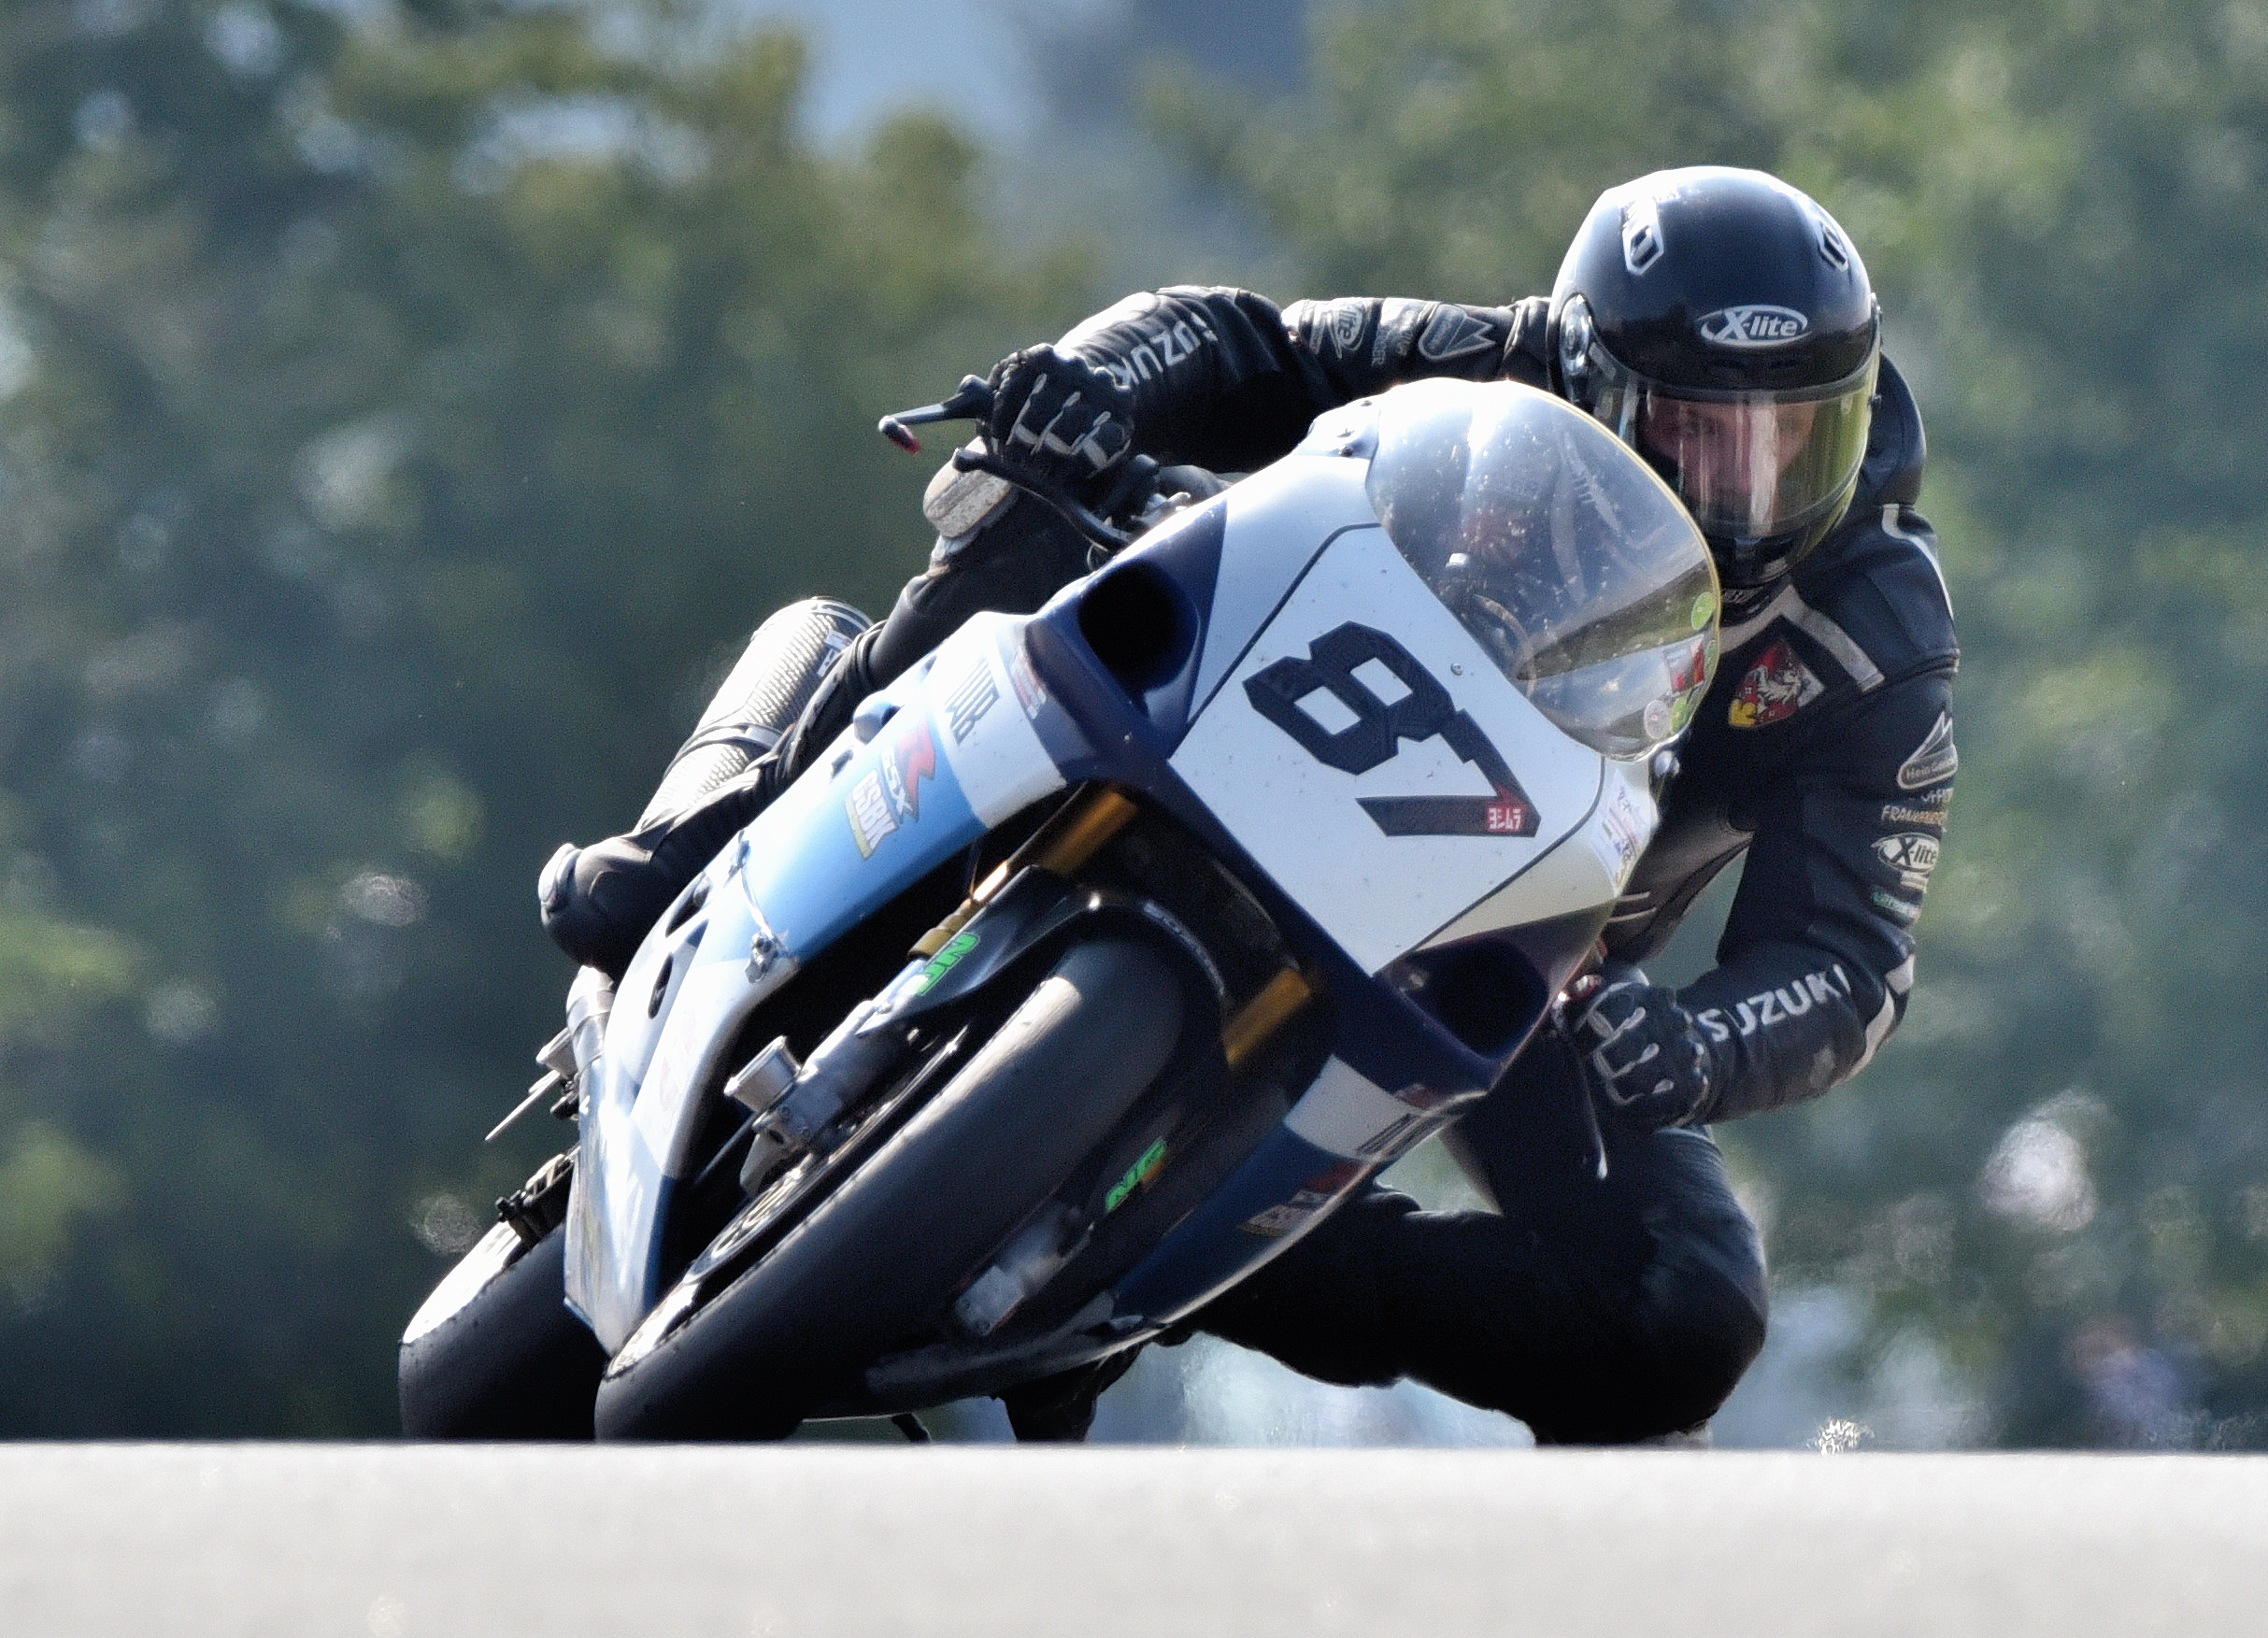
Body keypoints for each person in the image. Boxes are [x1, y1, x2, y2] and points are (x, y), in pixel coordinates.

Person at [536, 165, 1959, 1444]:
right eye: (1694, 437)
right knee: (1040, 488)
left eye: (1792, 444)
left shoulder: (1875, 633)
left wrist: (1699, 1044)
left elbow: (1849, 958)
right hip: (1234, 723)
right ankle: (709, 839)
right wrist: (1092, 381)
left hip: (1510, 944)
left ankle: (1154, 1259)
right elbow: (1242, 339)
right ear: (1590, 374)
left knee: (1681, 1314)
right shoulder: (1495, 368)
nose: (1742, 494)